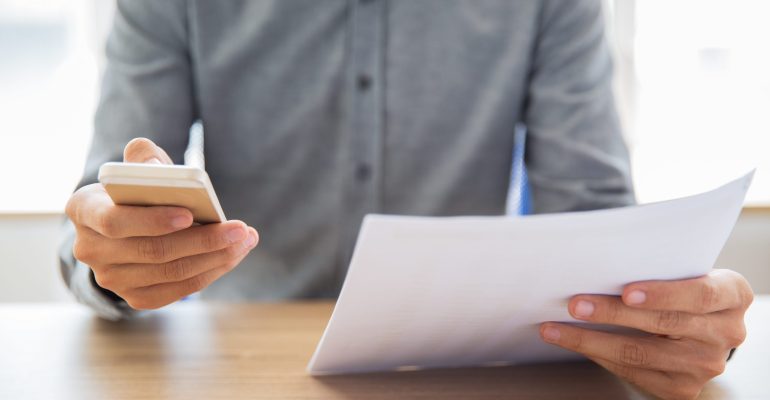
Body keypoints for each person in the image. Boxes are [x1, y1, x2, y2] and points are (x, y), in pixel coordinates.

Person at [59, 1, 752, 399]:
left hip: (468, 380)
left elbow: (594, 218)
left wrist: (663, 319)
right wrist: (111, 261)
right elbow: (98, 207)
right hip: (246, 377)